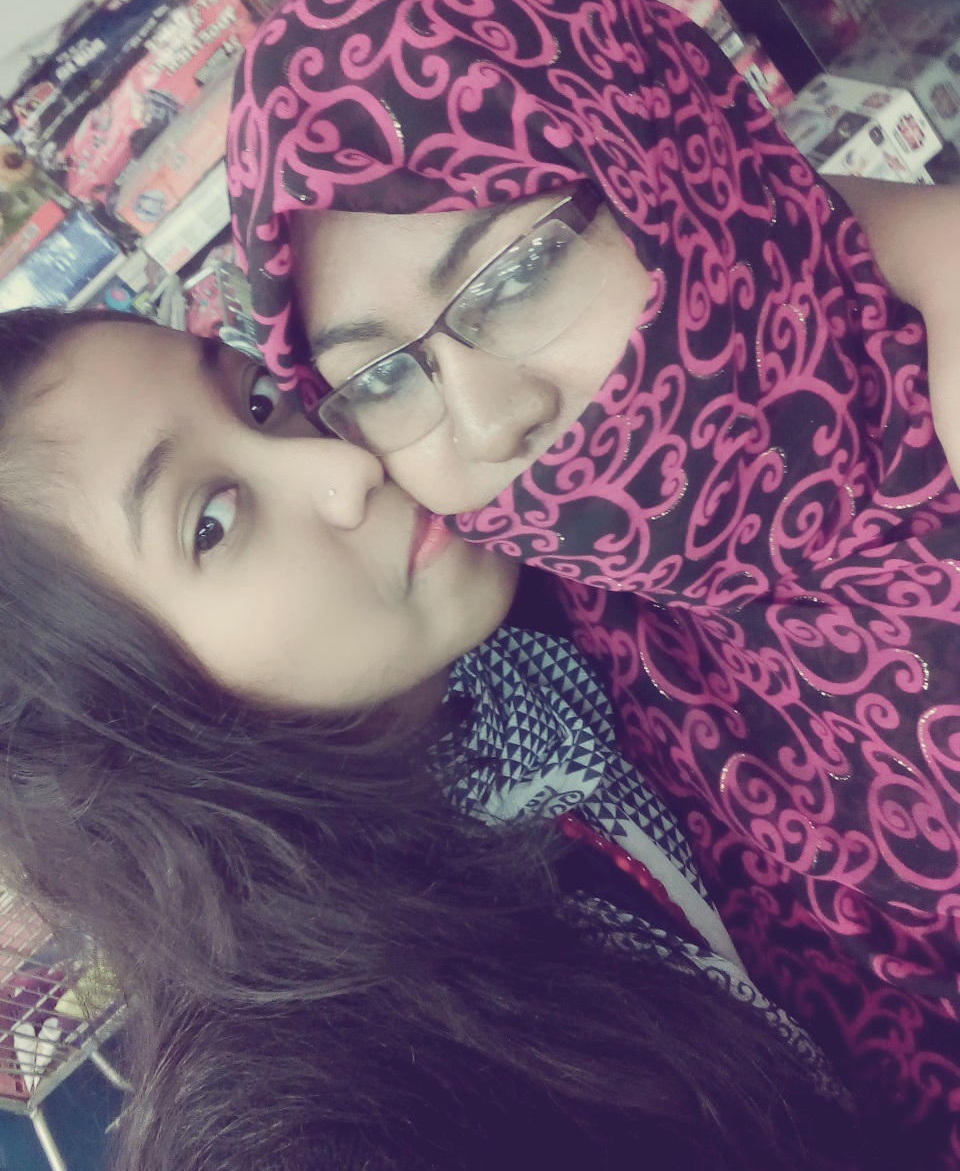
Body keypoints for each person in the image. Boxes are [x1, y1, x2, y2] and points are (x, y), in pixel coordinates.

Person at [226, 0, 960, 1165]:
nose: (489, 417)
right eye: (384, 377)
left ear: (663, 153)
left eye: (514, 275)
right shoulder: (566, 633)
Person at [0, 304, 861, 1170]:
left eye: (259, 400)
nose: (345, 466)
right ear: (116, 728)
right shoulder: (328, 1107)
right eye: (210, 524)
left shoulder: (567, 597)